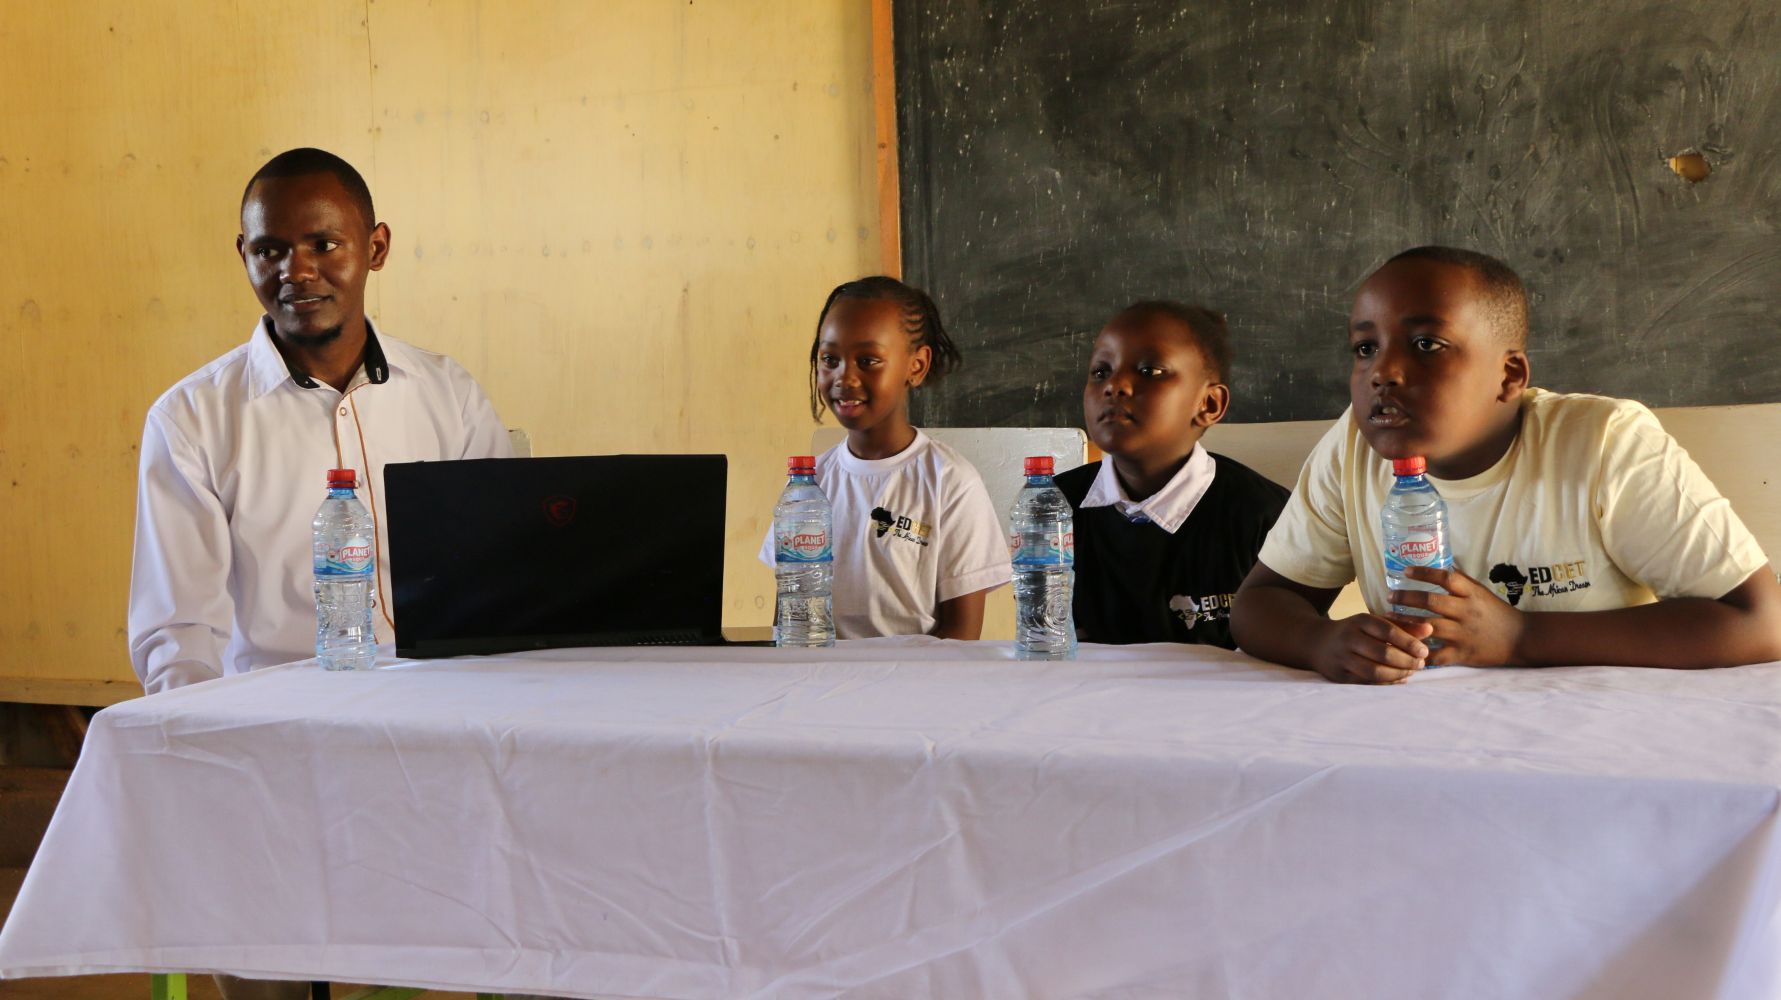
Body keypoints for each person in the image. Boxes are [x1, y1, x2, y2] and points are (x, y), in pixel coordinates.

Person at [126, 145, 512, 1000]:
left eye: (322, 245)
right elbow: (177, 630)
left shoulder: (447, 395)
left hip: (428, 744)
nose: (295, 270)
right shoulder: (193, 417)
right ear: (244, 255)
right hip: (266, 748)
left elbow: (504, 573)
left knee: (436, 965)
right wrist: (209, 762)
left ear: (373, 247)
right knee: (261, 970)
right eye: (270, 250)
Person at [1230, 245, 1781, 683]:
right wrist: (1321, 642)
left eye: (1426, 344)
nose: (1383, 372)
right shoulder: (1350, 448)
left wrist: (1520, 637)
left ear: (1510, 377)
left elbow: (1761, 622)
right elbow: (1261, 605)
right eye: (1365, 348)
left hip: (1590, 739)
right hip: (1420, 747)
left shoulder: (1604, 443)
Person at [758, 276, 1010, 638]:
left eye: (868, 360)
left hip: (914, 688)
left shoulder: (949, 481)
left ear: (917, 366)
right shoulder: (807, 487)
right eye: (830, 359)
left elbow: (961, 639)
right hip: (821, 685)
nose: (844, 377)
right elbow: (789, 619)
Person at [1054, 301, 1288, 647]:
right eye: (1101, 371)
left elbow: (1288, 651)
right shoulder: (1055, 506)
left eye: (1149, 371)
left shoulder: (1265, 514)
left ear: (1208, 404)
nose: (1115, 385)